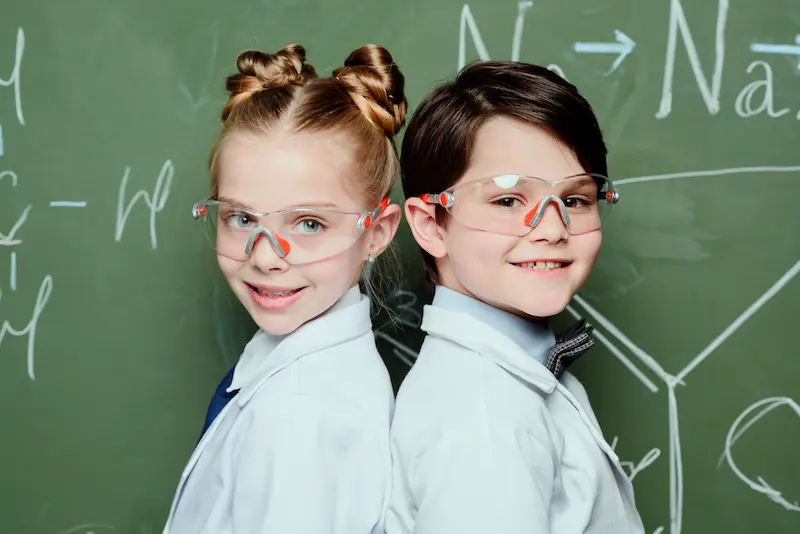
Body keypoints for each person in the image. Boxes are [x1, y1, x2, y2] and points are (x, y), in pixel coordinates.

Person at [386, 60, 645, 533]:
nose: (551, 229)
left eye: (575, 199)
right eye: (507, 200)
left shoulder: (506, 381)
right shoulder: (482, 419)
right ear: (429, 225)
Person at [162, 43, 406, 534]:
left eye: (310, 224)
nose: (266, 257)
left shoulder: (299, 416)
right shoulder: (301, 376)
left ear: (376, 232)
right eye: (240, 217)